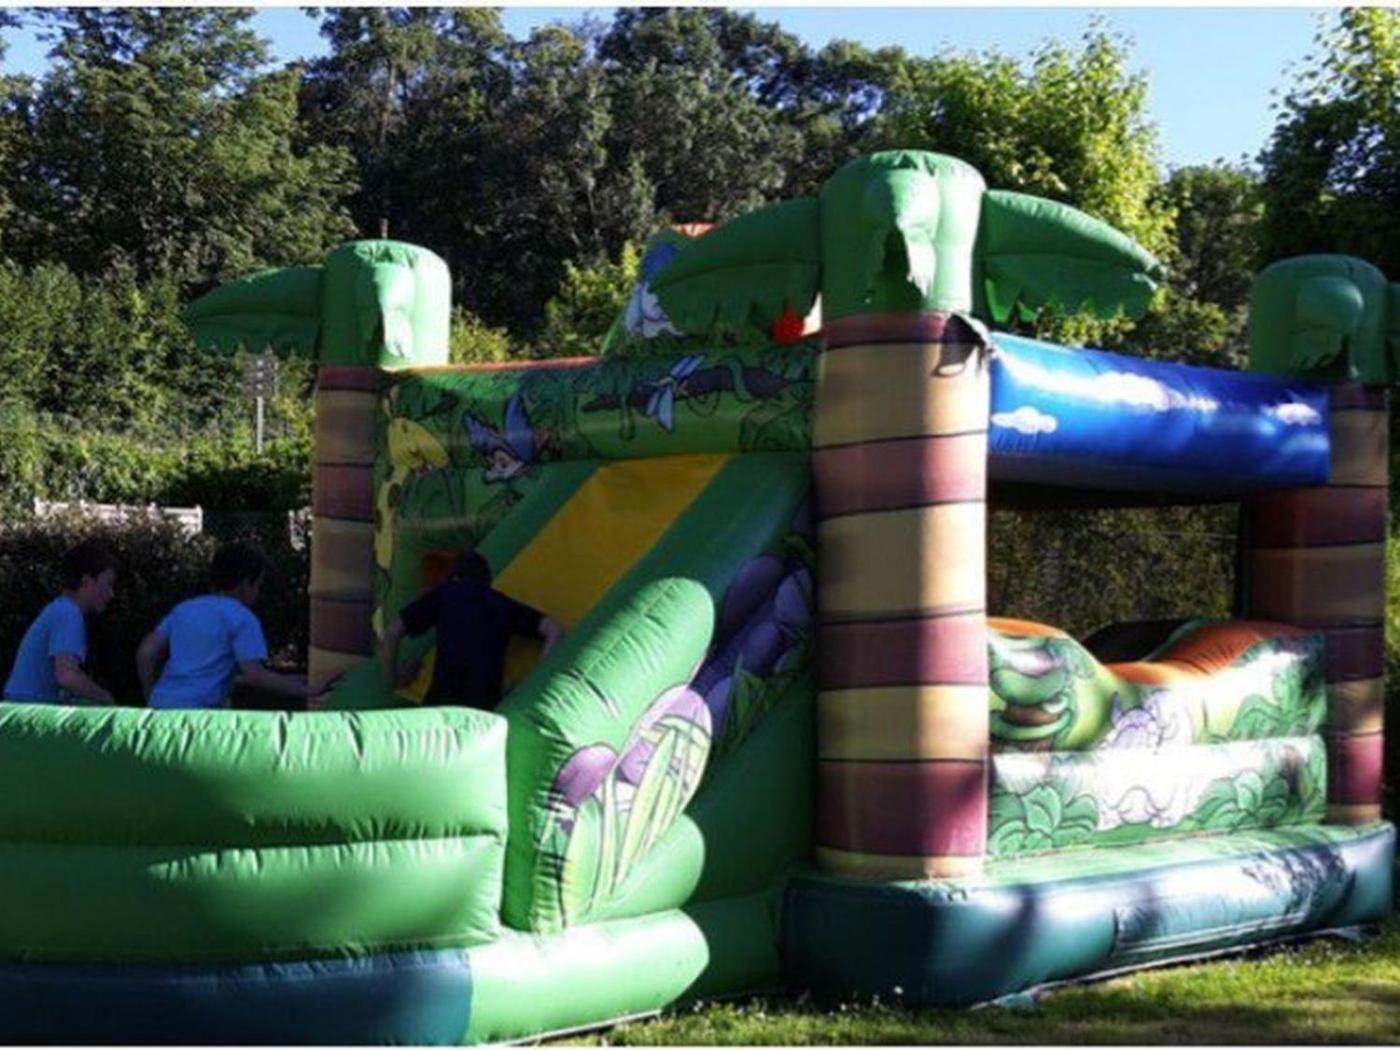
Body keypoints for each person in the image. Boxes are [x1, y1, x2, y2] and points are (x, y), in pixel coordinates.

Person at [137, 541, 336, 710]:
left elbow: (146, 653)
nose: (258, 593)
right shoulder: (242, 618)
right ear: (245, 584)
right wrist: (310, 691)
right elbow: (256, 675)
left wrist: (150, 696)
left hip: (161, 706)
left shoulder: (185, 609)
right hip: (199, 715)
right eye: (258, 585)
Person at [380, 548, 564, 709]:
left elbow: (391, 633)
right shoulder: (502, 604)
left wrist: (394, 679)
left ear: (453, 578)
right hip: (484, 707)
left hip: (441, 703)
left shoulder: (445, 594)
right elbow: (553, 629)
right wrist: (531, 686)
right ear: (487, 581)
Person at [4, 539, 118, 705]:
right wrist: (106, 699)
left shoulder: (60, 609)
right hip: (30, 710)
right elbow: (67, 676)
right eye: (107, 584)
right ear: (86, 581)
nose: (111, 594)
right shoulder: (69, 615)